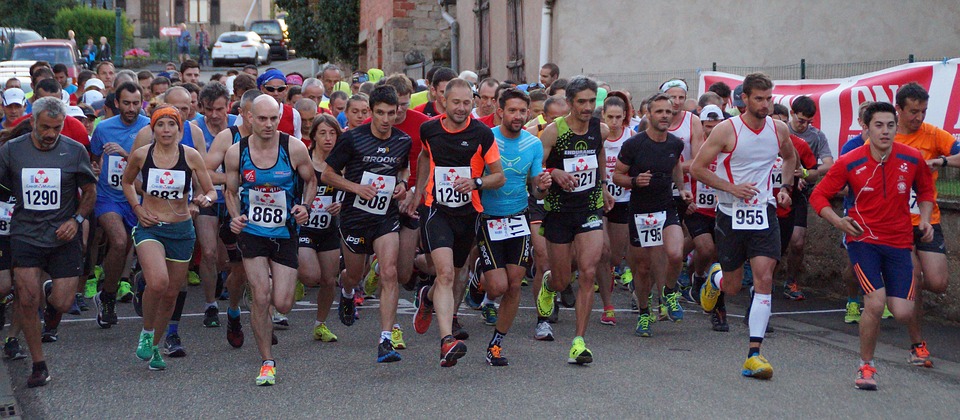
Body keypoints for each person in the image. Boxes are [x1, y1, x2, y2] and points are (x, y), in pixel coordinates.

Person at [810, 101, 934, 390]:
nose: (886, 131)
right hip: (863, 240)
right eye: (879, 125)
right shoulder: (850, 160)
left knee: (902, 311)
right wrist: (839, 222)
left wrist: (925, 219)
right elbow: (819, 196)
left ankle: (911, 344)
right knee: (875, 303)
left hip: (899, 241)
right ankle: (866, 366)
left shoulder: (912, 158)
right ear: (866, 128)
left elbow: (926, 190)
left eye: (891, 125)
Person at [693, 73, 796, 380]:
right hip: (730, 213)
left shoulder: (778, 129)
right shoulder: (727, 130)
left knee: (764, 278)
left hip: (764, 212)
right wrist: (731, 187)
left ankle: (754, 354)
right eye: (759, 99)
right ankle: (716, 279)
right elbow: (698, 168)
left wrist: (785, 187)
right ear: (745, 100)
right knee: (735, 285)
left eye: (769, 98)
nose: (766, 104)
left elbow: (790, 158)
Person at [405, 77, 504, 367]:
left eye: (466, 103)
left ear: (473, 103)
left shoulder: (482, 134)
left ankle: (427, 297)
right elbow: (425, 156)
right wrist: (419, 191)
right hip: (436, 210)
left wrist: (475, 181)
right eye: (456, 102)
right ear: (443, 102)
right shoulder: (429, 129)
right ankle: (447, 341)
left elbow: (498, 176)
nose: (461, 108)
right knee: (446, 274)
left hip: (468, 213)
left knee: (451, 275)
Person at [0, 97, 97, 387]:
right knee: (27, 301)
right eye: (45, 127)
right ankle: (39, 364)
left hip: (62, 236)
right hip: (25, 236)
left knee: (63, 302)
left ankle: (51, 294)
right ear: (33, 122)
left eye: (56, 127)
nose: (50, 133)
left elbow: (90, 191)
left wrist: (76, 221)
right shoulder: (11, 151)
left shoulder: (74, 150)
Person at [223, 95, 315, 386]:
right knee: (260, 296)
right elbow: (230, 190)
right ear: (249, 117)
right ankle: (267, 360)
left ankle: (279, 287)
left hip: (285, 232)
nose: (268, 124)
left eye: (273, 118)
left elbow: (311, 180)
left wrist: (305, 207)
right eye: (262, 118)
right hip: (253, 232)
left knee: (283, 304)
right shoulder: (236, 152)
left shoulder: (294, 147)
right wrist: (235, 216)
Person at [122, 106, 216, 371]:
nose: (166, 130)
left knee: (171, 293)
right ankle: (147, 330)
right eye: (160, 125)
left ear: (179, 129)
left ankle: (153, 344)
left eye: (171, 125)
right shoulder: (142, 155)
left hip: (181, 231)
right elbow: (127, 182)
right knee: (159, 283)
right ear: (153, 129)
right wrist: (138, 210)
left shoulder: (191, 156)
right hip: (150, 228)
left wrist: (203, 199)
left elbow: (211, 190)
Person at [323, 85, 411, 363]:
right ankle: (347, 290)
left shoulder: (403, 140)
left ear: (398, 112)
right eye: (380, 113)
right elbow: (327, 174)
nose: (386, 119)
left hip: (386, 216)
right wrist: (356, 188)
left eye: (391, 113)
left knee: (389, 272)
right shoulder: (352, 139)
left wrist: (402, 184)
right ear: (371, 112)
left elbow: (403, 168)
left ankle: (385, 339)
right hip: (355, 217)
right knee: (355, 273)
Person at [534, 76, 613, 365]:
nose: (588, 107)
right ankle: (549, 284)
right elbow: (538, 171)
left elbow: (599, 155)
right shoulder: (554, 132)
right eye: (582, 101)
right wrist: (553, 174)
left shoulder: (599, 129)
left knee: (588, 271)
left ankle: (579, 341)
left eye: (592, 101)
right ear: (569, 103)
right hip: (558, 210)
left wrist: (603, 186)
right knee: (562, 278)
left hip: (589, 207)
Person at [475, 88, 550, 365]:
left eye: (522, 111)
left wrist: (542, 188)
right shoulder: (486, 138)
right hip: (488, 217)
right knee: (496, 286)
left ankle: (496, 344)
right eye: (512, 110)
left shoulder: (533, 144)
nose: (517, 116)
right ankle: (478, 279)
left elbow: (537, 190)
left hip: (518, 217)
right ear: (500, 111)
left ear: (528, 113)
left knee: (514, 285)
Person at [613, 93, 690, 337]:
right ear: (649, 114)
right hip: (640, 212)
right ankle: (644, 313)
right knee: (643, 268)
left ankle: (668, 292)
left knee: (676, 253)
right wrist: (635, 181)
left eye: (668, 112)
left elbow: (676, 165)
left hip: (666, 207)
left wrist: (682, 188)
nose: (665, 116)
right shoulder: (634, 144)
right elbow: (617, 176)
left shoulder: (675, 143)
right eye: (659, 112)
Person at [894, 82, 957, 368]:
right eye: (913, 112)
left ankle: (899, 289)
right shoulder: (885, 136)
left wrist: (941, 162)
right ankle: (917, 344)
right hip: (896, 224)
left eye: (923, 111)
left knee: (938, 282)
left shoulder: (933, 135)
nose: (918, 117)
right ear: (899, 109)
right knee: (916, 280)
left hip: (928, 220)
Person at [90, 82, 150, 330]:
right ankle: (108, 297)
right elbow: (92, 157)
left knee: (134, 247)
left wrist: (125, 154)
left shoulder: (149, 127)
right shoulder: (103, 128)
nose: (131, 108)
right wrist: (96, 168)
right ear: (116, 103)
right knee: (118, 241)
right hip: (109, 197)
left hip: (138, 197)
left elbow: (152, 163)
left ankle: (121, 290)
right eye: (126, 103)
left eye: (136, 103)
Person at [205, 89, 261, 349]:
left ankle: (265, 318)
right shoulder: (228, 137)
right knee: (240, 271)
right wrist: (232, 179)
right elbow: (204, 171)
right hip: (236, 212)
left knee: (268, 269)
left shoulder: (275, 138)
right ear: (242, 113)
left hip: (268, 212)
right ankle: (235, 311)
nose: (260, 120)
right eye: (254, 115)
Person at [297, 114, 343, 344]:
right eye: (323, 133)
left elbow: (351, 191)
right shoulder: (303, 160)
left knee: (328, 280)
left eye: (332, 133)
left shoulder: (341, 163)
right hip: (304, 228)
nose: (328, 138)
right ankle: (293, 274)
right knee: (311, 276)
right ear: (313, 135)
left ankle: (320, 324)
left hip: (328, 228)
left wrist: (341, 205)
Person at [782, 96, 834, 300]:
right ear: (792, 113)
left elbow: (829, 164)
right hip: (775, 192)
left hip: (800, 193)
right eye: (801, 120)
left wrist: (804, 173)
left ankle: (791, 281)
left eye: (809, 122)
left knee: (797, 242)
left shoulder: (816, 136)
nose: (805, 125)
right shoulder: (780, 130)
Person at [687, 104, 727, 331]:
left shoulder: (729, 144)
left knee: (719, 257)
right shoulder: (696, 146)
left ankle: (717, 307)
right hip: (697, 208)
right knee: (706, 249)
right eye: (707, 126)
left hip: (722, 210)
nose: (711, 130)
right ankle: (699, 276)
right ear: (701, 125)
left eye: (715, 125)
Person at [598, 93, 635, 326]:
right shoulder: (596, 136)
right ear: (602, 115)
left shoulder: (631, 137)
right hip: (598, 200)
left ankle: (611, 272)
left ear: (625, 118)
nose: (613, 122)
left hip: (622, 200)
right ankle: (607, 305)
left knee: (614, 256)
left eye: (618, 117)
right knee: (602, 251)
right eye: (609, 117)